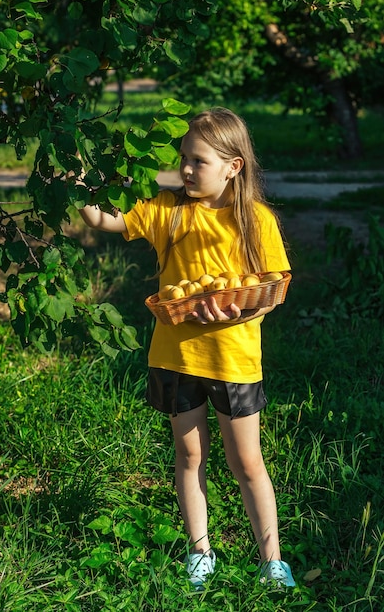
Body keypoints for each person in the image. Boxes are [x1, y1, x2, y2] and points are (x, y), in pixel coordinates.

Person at [78, 107, 295, 590]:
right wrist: (77, 175)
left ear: (233, 166)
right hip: (175, 357)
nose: (186, 170)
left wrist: (241, 313)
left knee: (247, 463)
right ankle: (201, 552)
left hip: (233, 359)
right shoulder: (167, 211)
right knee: (189, 456)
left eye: (198, 161)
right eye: (183, 159)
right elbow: (100, 217)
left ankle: (272, 560)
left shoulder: (255, 220)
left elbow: (272, 289)